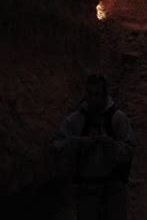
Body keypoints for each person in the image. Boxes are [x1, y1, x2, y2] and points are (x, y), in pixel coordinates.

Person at [54, 74, 136, 220]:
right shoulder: (76, 120)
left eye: (97, 94)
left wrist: (111, 146)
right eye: (90, 94)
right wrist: (81, 143)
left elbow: (129, 150)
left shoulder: (117, 119)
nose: (94, 99)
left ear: (105, 94)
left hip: (113, 191)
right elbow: (59, 145)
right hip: (87, 191)